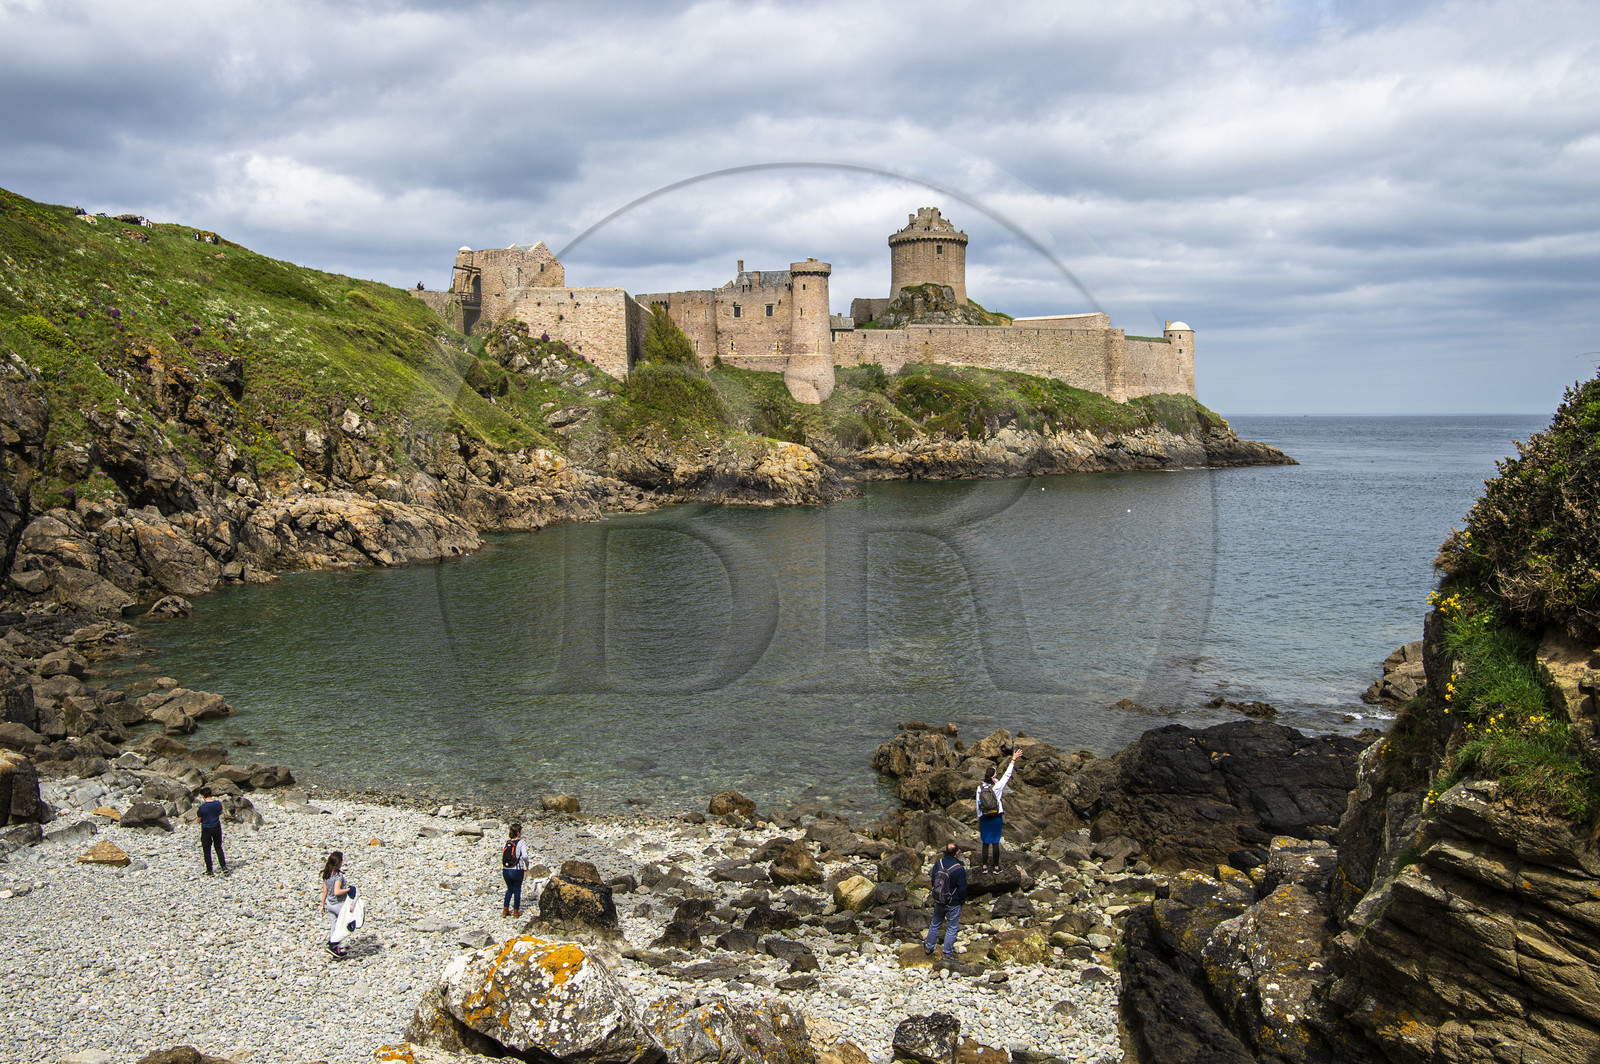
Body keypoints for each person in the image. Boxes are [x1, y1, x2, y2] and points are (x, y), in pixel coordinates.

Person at [975, 750, 1022, 873]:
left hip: (984, 817)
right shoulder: (998, 786)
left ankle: (984, 867)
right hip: (996, 816)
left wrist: (979, 817)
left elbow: (977, 804)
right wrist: (1013, 759)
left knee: (985, 843)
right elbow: (1007, 775)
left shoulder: (979, 788)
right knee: (995, 842)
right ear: (994, 776)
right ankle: (996, 867)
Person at [923, 842, 968, 959]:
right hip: (954, 901)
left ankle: (929, 946)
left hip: (940, 899)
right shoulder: (959, 869)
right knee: (951, 928)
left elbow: (933, 881)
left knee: (935, 923)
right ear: (957, 853)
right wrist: (961, 901)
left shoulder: (939, 864)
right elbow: (962, 888)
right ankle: (947, 953)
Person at [321, 851, 355, 958]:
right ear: (338, 863)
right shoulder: (338, 876)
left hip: (329, 904)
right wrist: (348, 889)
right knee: (345, 925)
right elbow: (337, 891)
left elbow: (325, 891)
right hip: (338, 904)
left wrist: (322, 905)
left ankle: (334, 948)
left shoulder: (326, 874)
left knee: (334, 925)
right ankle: (333, 945)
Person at [196, 787, 227, 876]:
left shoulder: (202, 808)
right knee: (218, 847)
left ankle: (209, 870)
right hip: (217, 827)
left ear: (202, 796)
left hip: (206, 828)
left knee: (206, 850)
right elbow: (220, 812)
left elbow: (199, 820)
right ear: (211, 794)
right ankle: (224, 867)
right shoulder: (218, 804)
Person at [501, 823, 528, 918]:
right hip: (516, 870)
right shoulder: (521, 843)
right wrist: (527, 865)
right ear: (518, 832)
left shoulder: (507, 843)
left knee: (509, 889)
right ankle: (516, 912)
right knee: (517, 890)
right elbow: (524, 856)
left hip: (506, 870)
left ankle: (505, 910)